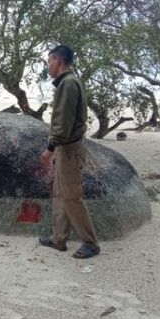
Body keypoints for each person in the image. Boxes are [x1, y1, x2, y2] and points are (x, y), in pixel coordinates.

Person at [39, 45, 100, 259]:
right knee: (59, 193)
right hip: (66, 147)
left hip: (69, 148)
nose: (48, 67)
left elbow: (63, 121)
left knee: (72, 196)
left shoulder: (68, 84)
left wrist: (50, 148)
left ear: (59, 60)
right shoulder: (68, 82)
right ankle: (58, 239)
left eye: (49, 62)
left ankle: (90, 243)